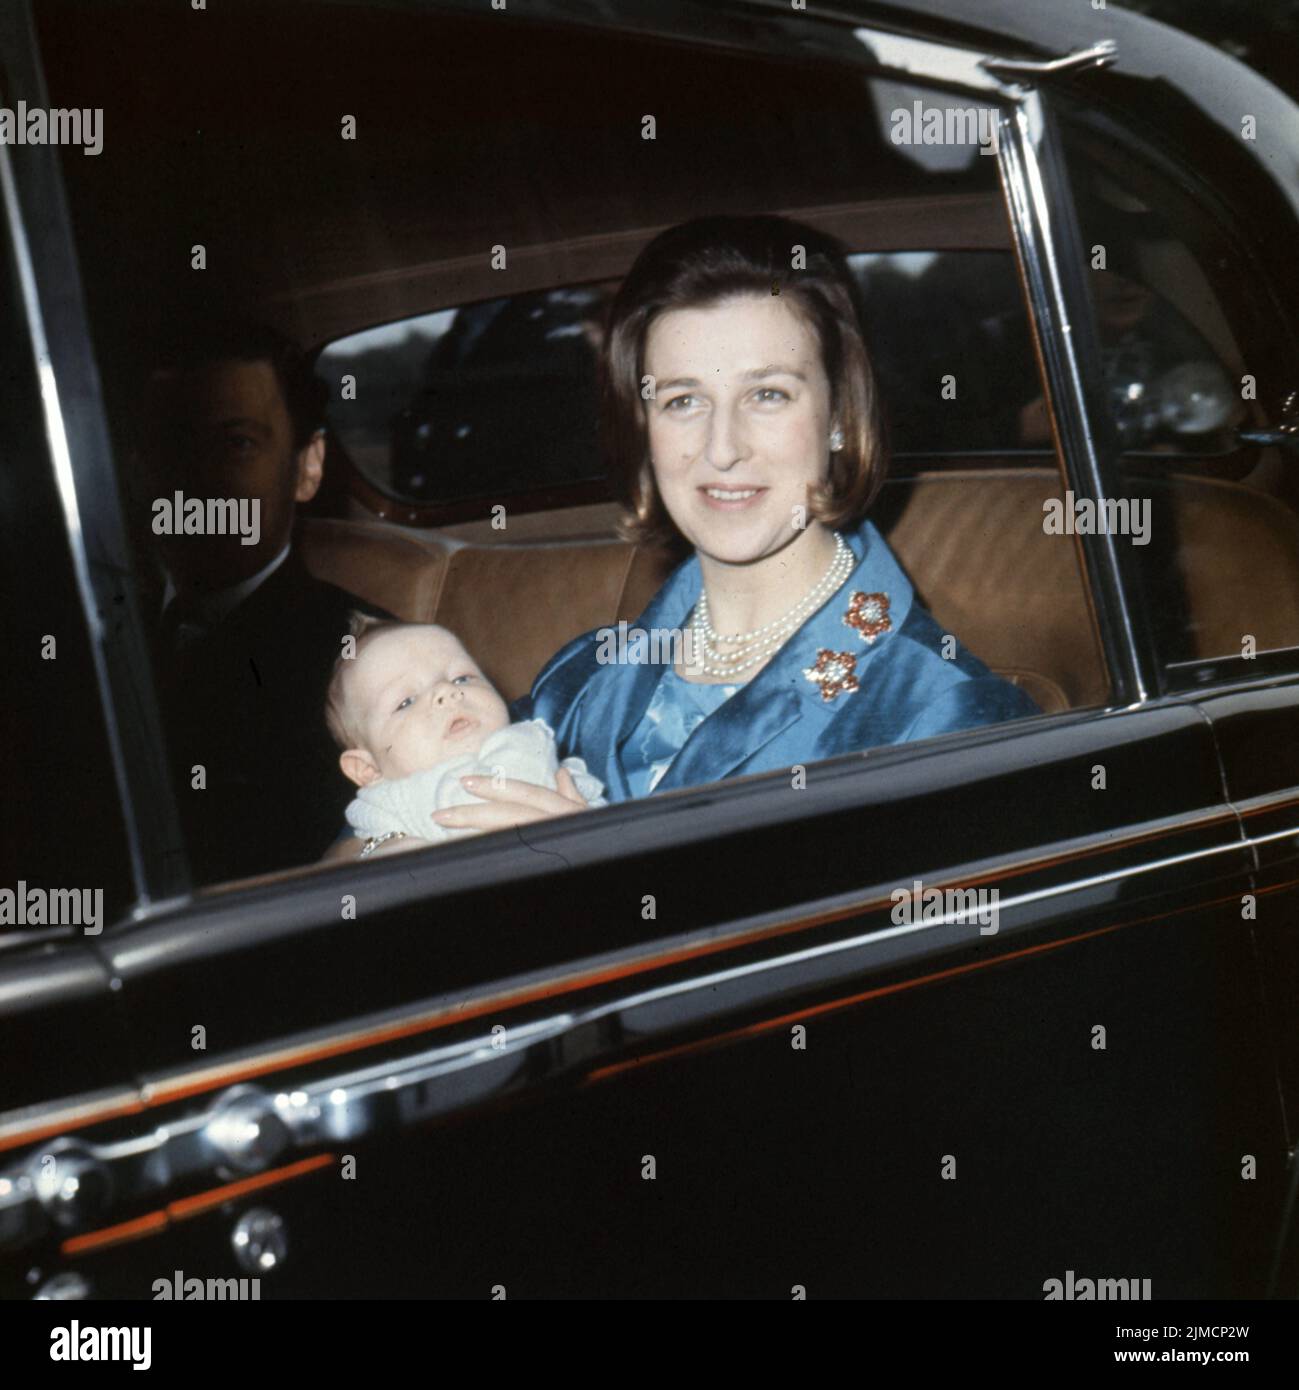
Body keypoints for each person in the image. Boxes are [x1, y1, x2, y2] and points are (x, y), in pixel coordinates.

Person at [433, 215, 1038, 834]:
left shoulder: (941, 715)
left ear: (839, 416)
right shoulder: (581, 680)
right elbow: (386, 825)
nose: (722, 448)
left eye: (767, 394)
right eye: (682, 400)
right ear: (643, 429)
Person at [138, 319, 391, 881]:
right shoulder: (80, 634)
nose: (195, 480)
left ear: (307, 467)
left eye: (236, 443)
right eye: (168, 444)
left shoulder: (366, 662)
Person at [323, 615, 604, 857]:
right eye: (406, 701)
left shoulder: (524, 743)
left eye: (462, 678)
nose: (445, 692)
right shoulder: (381, 805)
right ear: (368, 770)